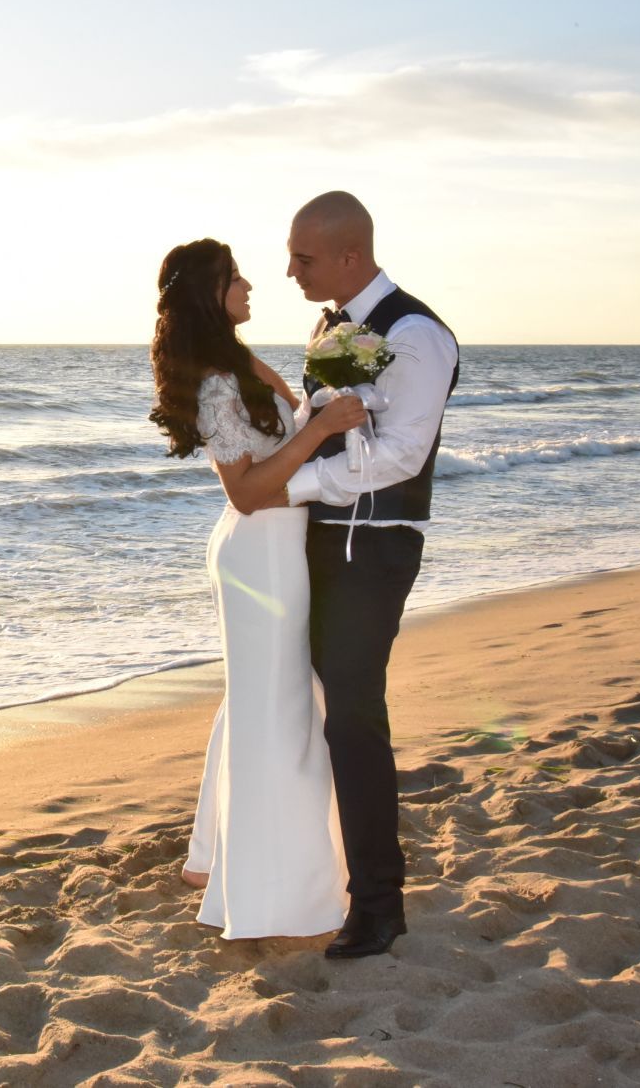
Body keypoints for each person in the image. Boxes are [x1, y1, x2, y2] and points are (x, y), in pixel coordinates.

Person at [148, 238, 367, 939]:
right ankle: (274, 895)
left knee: (258, 698)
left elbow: (283, 446)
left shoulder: (239, 361)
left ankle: (210, 858)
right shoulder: (217, 381)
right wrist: (321, 427)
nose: (250, 286)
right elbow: (244, 491)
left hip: (275, 546)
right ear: (209, 294)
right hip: (261, 551)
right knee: (278, 709)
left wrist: (331, 400)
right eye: (235, 278)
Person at [282, 191, 459, 958]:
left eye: (304, 258)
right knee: (315, 710)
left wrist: (294, 485)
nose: (290, 272)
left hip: (372, 548)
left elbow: (401, 456)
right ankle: (313, 872)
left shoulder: (416, 334)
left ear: (350, 256)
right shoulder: (333, 325)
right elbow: (320, 425)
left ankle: (379, 905)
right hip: (315, 541)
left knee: (354, 720)